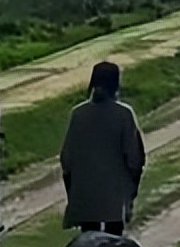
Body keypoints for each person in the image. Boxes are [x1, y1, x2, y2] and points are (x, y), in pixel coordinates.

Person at [59, 60, 146, 236]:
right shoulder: (124, 114)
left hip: (85, 198)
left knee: (88, 241)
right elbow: (135, 159)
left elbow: (66, 160)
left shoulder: (78, 114)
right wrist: (131, 190)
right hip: (114, 199)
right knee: (114, 240)